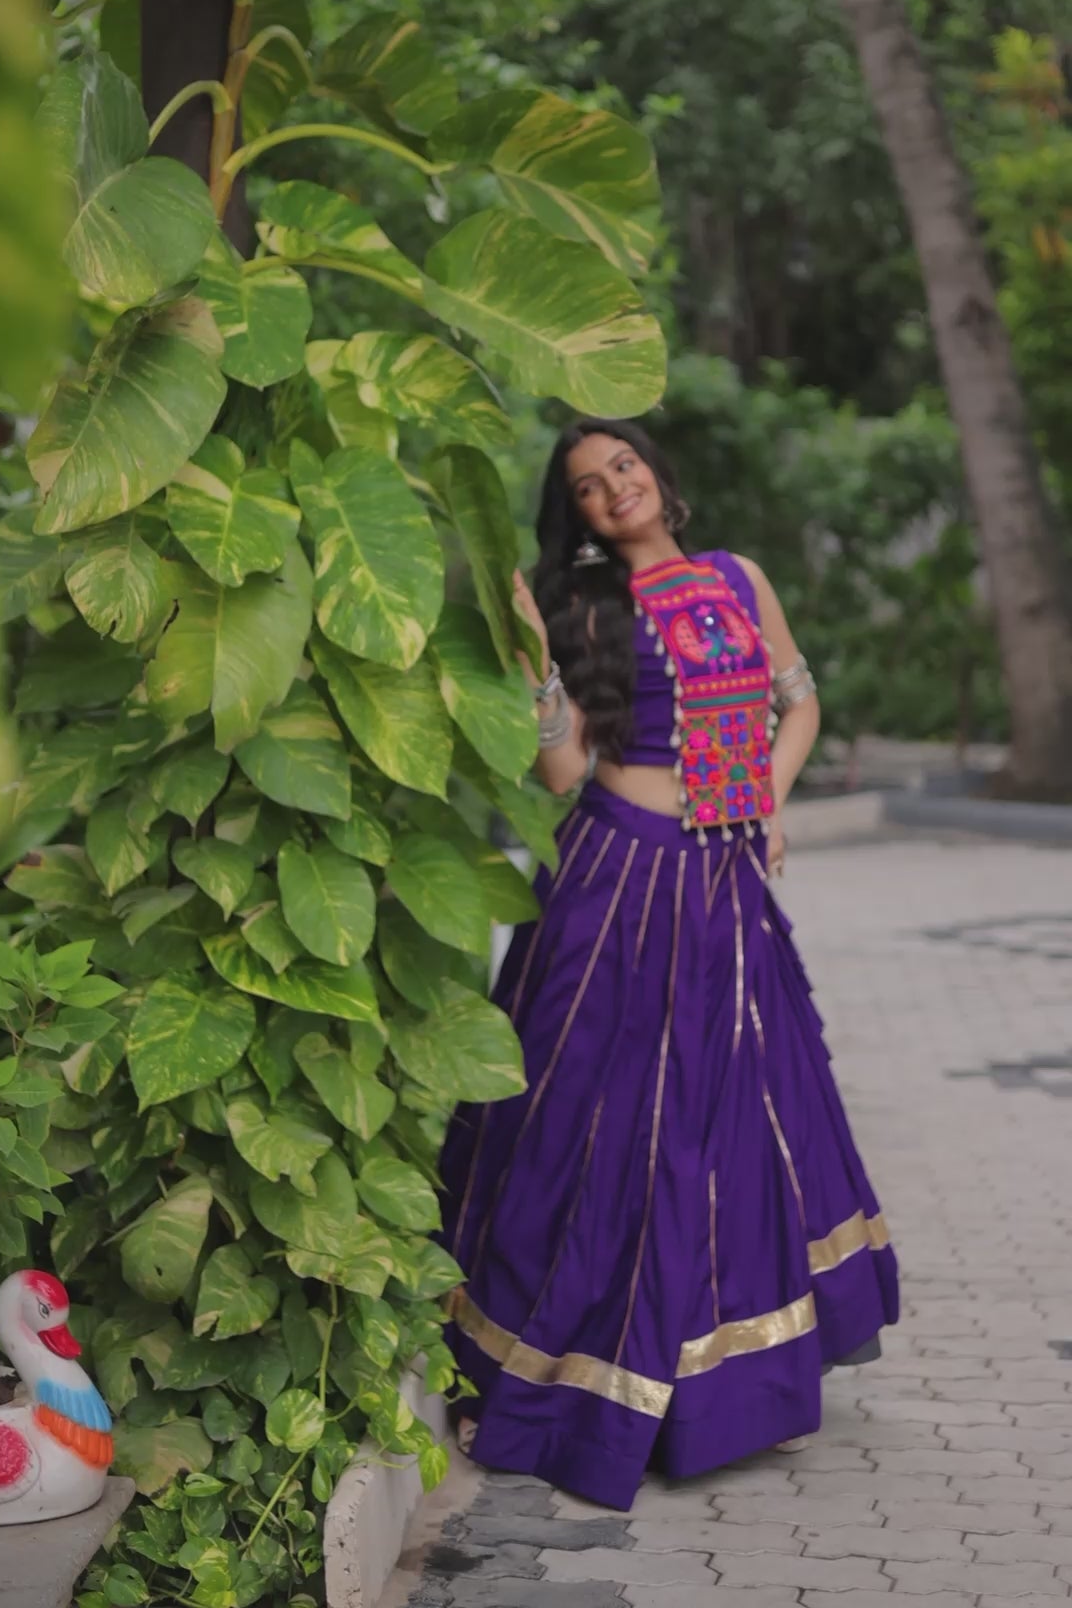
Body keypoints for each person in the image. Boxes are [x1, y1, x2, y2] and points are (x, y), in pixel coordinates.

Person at [438, 418, 898, 1511]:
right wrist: (534, 657)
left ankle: (726, 1389)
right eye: (588, 487)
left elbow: (799, 698)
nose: (615, 489)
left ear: (656, 471)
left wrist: (765, 799)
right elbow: (563, 774)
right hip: (617, 882)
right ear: (578, 516)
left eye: (624, 465)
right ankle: (568, 1376)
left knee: (732, 1123)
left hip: (725, 884)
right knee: (597, 1128)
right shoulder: (586, 605)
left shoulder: (739, 577)